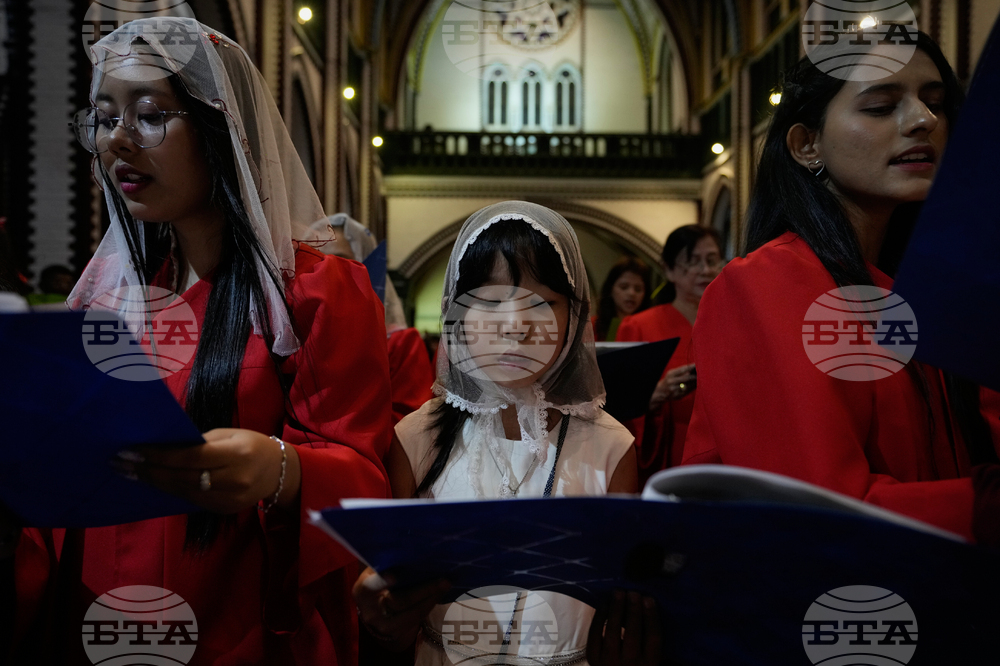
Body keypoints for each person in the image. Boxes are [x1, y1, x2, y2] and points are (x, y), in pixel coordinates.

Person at [12, 18, 391, 663]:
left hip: (236, 625)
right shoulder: (108, 299)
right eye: (104, 118)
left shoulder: (314, 290)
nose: (119, 141)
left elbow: (364, 477)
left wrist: (282, 467)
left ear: (221, 129)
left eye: (151, 115)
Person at [683, 33, 999, 544]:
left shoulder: (936, 293)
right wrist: (981, 506)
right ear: (807, 144)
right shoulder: (766, 283)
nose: (924, 121)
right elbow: (816, 508)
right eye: (880, 106)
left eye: (936, 103)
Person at [352, 201, 659, 666]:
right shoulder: (416, 438)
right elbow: (393, 613)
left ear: (574, 318)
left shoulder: (611, 446)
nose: (515, 325)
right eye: (490, 302)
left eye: (543, 303)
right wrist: (385, 620)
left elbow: (615, 600)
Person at [615, 226, 723, 485]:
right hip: (669, 449)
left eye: (711, 260)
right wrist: (658, 393)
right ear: (669, 269)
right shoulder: (638, 326)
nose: (705, 270)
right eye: (693, 262)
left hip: (721, 450)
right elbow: (617, 405)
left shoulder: (732, 323)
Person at [309, 214, 434, 426]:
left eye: (339, 260)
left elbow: (409, 425)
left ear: (364, 264)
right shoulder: (293, 337)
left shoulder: (400, 344)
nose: (324, 271)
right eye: (315, 259)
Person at [592, 256, 652, 342]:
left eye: (638, 289)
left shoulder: (650, 327)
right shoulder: (592, 326)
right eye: (624, 287)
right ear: (611, 289)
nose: (632, 293)